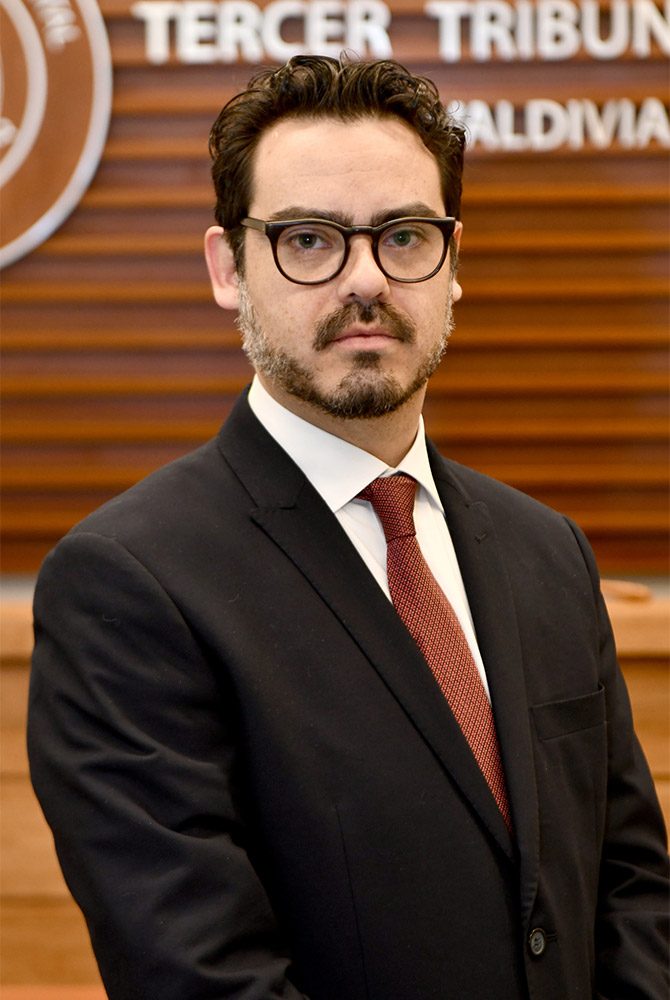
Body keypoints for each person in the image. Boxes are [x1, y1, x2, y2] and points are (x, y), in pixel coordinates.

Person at [28, 56, 668, 1000]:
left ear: (454, 264)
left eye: (404, 236)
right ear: (228, 268)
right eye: (308, 239)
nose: (365, 279)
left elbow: (634, 891)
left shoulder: (549, 551)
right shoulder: (129, 584)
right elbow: (200, 975)